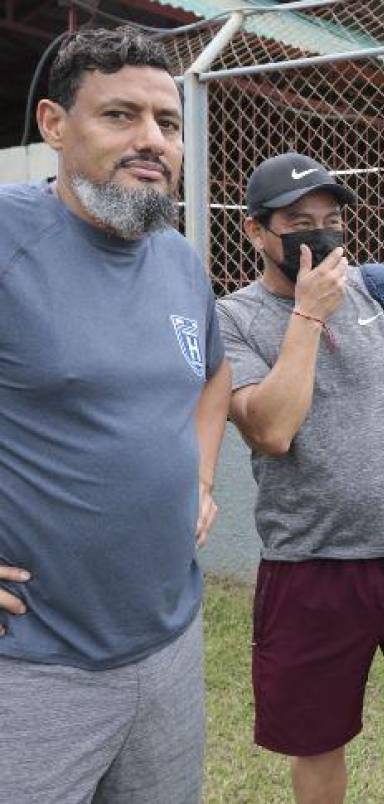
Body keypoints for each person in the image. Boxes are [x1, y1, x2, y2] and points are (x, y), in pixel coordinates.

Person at [0, 27, 230, 804]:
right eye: (119, 116)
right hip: (31, 664)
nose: (151, 140)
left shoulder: (176, 258)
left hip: (168, 645)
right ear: (55, 124)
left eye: (167, 123)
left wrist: (199, 477)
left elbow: (214, 377)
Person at [217, 152, 384, 804]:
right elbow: (271, 429)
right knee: (318, 743)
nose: (321, 234)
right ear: (256, 231)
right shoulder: (233, 321)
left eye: (332, 220)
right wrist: (308, 315)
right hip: (312, 570)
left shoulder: (379, 290)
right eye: (299, 221)